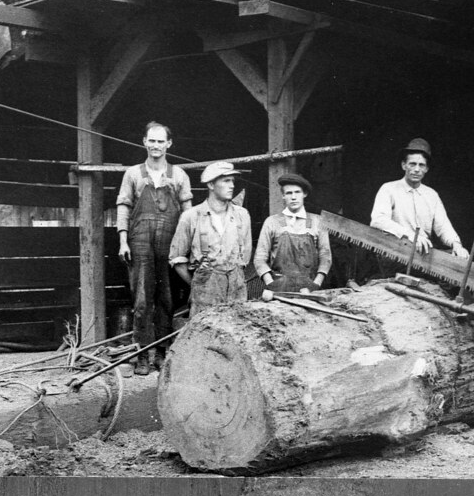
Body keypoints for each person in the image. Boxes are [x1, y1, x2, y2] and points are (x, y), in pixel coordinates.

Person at [116, 121, 193, 375]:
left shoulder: (179, 175)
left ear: (169, 144)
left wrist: (189, 246)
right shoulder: (133, 174)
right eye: (152, 140)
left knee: (167, 299)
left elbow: (188, 214)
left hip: (169, 244)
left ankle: (161, 353)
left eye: (161, 141)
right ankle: (141, 356)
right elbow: (124, 207)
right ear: (144, 142)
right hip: (140, 243)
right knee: (141, 301)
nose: (156, 145)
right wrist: (123, 240)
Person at [169, 161, 252, 317]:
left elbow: (245, 258)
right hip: (205, 295)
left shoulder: (242, 215)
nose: (232, 185)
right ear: (211, 184)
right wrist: (200, 283)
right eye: (226, 180)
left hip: (236, 290)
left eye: (233, 181)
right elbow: (176, 259)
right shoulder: (191, 216)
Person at [370, 138, 469, 258]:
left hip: (422, 255)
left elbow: (443, 227)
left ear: (426, 169)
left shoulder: (432, 195)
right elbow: (378, 220)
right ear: (404, 165)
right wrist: (411, 236)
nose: (417, 169)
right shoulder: (388, 189)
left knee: (460, 259)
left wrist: (456, 244)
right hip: (395, 253)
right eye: (412, 164)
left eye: (421, 165)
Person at [254, 173, 332, 292]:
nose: (293, 197)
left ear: (304, 194)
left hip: (310, 288)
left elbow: (325, 256)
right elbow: (259, 258)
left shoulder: (318, 221)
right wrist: (271, 283)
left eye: (297, 192)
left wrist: (316, 283)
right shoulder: (271, 222)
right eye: (289, 193)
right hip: (279, 287)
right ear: (283, 196)